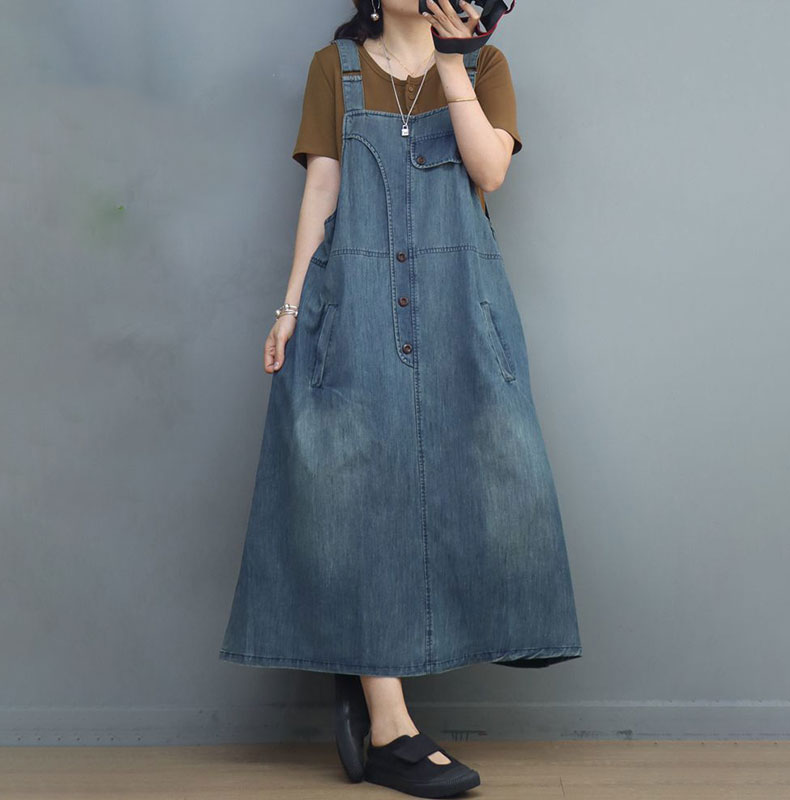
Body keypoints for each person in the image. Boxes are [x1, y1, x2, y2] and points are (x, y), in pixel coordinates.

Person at [218, 1, 583, 796]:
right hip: (354, 299)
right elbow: (322, 189)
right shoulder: (335, 69)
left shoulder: (485, 65)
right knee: (355, 495)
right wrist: (289, 308)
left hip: (460, 307)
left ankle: (365, 680)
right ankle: (389, 725)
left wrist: (453, 59)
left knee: (500, 484)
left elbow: (489, 170)